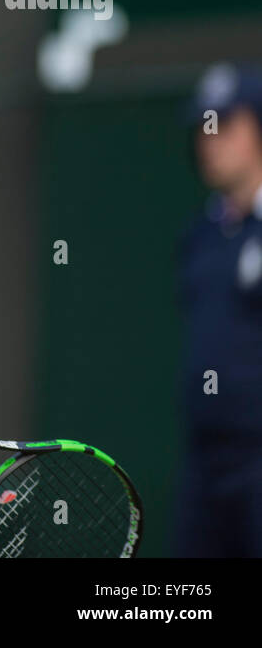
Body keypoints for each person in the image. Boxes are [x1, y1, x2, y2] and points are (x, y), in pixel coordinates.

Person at [173, 62, 262, 557]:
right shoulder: (201, 237)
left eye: (225, 124)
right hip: (204, 459)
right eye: (203, 126)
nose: (210, 139)